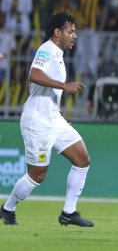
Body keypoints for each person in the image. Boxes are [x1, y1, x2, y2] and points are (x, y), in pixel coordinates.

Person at [1, 12, 94, 227]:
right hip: (37, 123)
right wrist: (64, 86)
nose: (75, 36)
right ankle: (7, 209)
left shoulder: (58, 54)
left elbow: (33, 87)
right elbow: (33, 75)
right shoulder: (47, 49)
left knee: (82, 160)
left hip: (53, 119)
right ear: (57, 32)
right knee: (37, 176)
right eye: (70, 31)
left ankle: (69, 213)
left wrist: (54, 113)